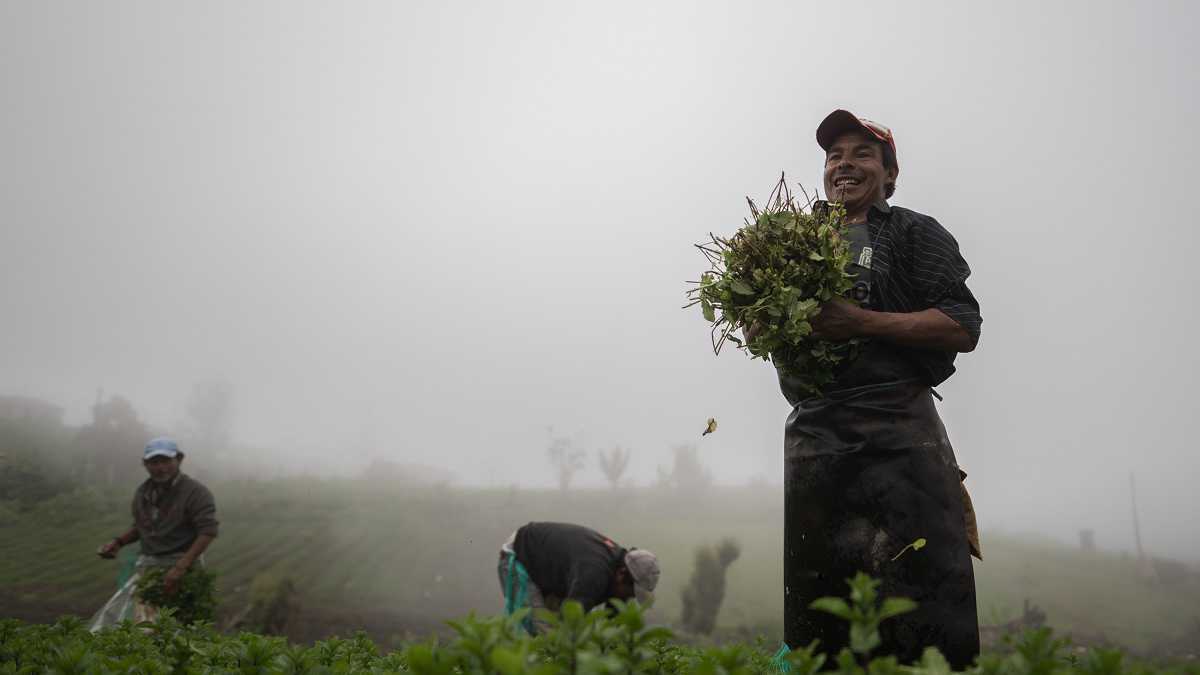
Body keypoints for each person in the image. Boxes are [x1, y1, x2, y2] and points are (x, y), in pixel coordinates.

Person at [777, 110, 983, 667]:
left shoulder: (916, 232)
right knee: (820, 605)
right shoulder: (789, 243)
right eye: (833, 155)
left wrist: (861, 321)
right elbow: (771, 323)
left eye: (862, 154)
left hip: (900, 439)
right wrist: (764, 322)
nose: (844, 164)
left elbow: (962, 325)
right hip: (814, 443)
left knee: (921, 603)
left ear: (889, 175)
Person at [89, 437, 219, 629]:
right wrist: (118, 543)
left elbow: (208, 531)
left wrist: (180, 568)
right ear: (145, 464)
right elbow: (142, 526)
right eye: (154, 462)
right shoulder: (144, 493)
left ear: (179, 459)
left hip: (184, 569)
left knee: (184, 627)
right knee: (143, 626)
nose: (160, 467)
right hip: (150, 568)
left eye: (166, 461)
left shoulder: (195, 492)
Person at [498, 521, 660, 633]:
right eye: (630, 591)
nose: (630, 597)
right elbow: (570, 619)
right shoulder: (594, 574)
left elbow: (612, 626)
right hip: (521, 556)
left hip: (551, 569)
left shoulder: (619, 571)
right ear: (621, 574)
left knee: (566, 633)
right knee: (547, 633)